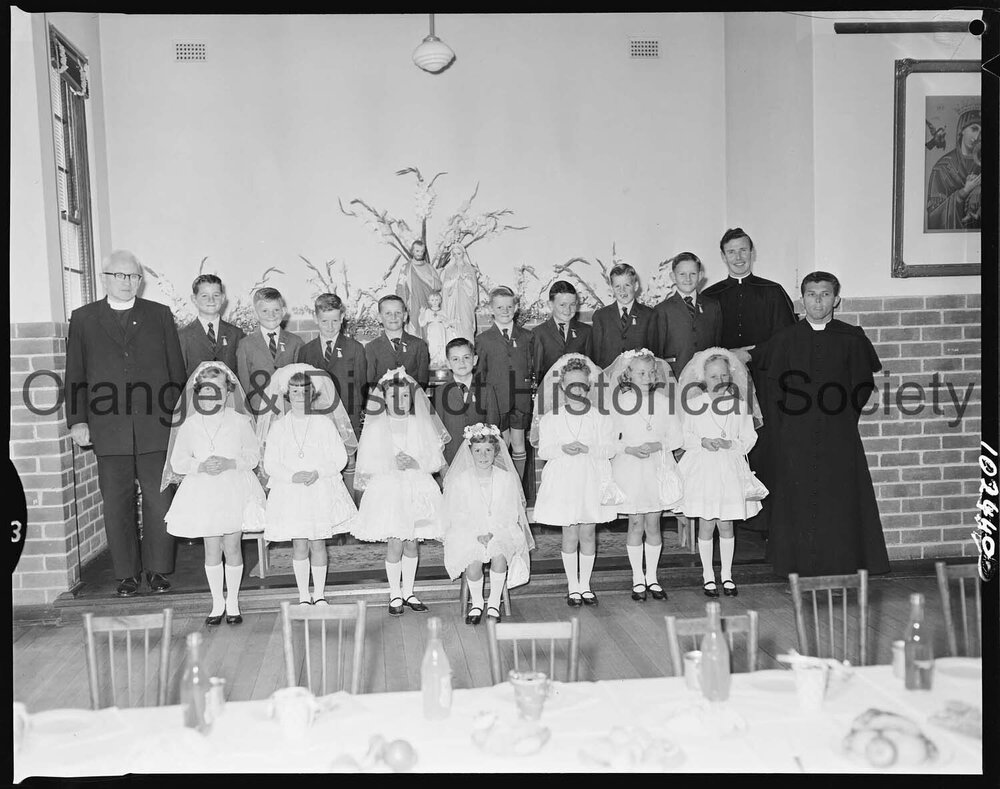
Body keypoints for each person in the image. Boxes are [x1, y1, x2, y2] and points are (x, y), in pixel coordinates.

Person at [750, 272, 890, 578]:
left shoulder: (851, 338)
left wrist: (837, 416)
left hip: (838, 433)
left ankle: (841, 564)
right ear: (802, 299)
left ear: (836, 299)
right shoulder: (785, 339)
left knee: (840, 499)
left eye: (825, 294)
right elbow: (773, 389)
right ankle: (795, 566)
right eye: (811, 294)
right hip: (795, 434)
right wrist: (789, 424)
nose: (818, 301)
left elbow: (861, 385)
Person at [65, 249, 186, 597]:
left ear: (140, 280)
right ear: (105, 278)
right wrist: (78, 421)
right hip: (108, 429)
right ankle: (126, 575)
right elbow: (75, 375)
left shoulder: (159, 315)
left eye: (133, 276)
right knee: (116, 502)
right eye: (119, 276)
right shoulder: (84, 318)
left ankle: (158, 570)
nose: (127, 282)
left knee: (159, 501)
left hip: (155, 429)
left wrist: (174, 421)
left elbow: (176, 373)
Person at [702, 228, 795, 537]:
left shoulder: (772, 291)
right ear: (723, 256)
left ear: (752, 253)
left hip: (764, 382)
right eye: (732, 252)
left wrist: (751, 355)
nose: (738, 257)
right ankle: (726, 523)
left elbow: (786, 339)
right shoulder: (712, 296)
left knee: (763, 443)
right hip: (723, 385)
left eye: (743, 250)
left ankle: (765, 523)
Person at [161, 362, 265, 625]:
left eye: (217, 389)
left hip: (234, 488)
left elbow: (253, 456)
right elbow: (178, 462)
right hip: (204, 490)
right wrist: (200, 465)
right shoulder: (190, 425)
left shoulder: (239, 421)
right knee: (211, 549)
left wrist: (231, 463)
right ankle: (217, 602)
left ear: (227, 391)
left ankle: (233, 602)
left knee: (232, 546)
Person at [351, 368, 449, 616]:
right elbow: (366, 461)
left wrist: (416, 463)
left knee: (412, 543)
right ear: (384, 398)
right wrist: (391, 462)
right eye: (394, 397)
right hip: (389, 487)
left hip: (417, 485)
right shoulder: (376, 427)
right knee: (395, 542)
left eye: (405, 396)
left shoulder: (419, 424)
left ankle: (409, 591)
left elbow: (434, 458)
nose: (400, 402)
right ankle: (394, 592)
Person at [258, 366, 359, 606]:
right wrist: (293, 476)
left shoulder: (324, 424)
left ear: (312, 394)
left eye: (304, 391)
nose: (299, 396)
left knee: (318, 542)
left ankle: (320, 594)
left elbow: (339, 458)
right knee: (299, 544)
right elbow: (271, 462)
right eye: (294, 392)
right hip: (291, 492)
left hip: (320, 489)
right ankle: (304, 595)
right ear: (287, 395)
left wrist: (318, 472)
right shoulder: (279, 427)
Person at [531, 354, 619, 607]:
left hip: (591, 477)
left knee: (588, 532)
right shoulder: (551, 418)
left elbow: (610, 449)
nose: (576, 390)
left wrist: (588, 448)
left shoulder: (600, 418)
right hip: (565, 479)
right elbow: (544, 450)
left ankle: (585, 584)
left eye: (581, 385)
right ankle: (572, 586)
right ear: (562, 388)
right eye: (571, 385)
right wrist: (563, 448)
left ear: (588, 387)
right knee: (570, 533)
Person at [676, 349, 763, 598]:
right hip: (703, 469)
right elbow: (684, 436)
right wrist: (702, 441)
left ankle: (726, 574)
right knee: (706, 523)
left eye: (724, 375)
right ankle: (707, 575)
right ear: (703, 377)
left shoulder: (739, 405)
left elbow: (749, 436)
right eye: (714, 376)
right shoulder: (693, 405)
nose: (720, 380)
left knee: (726, 524)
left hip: (728, 468)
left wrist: (732, 445)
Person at [604, 349, 684, 602]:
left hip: (657, 467)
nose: (647, 377)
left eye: (650, 372)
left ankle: (653, 577)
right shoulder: (620, 403)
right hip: (631, 467)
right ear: (628, 374)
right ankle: (638, 577)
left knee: (654, 523)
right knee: (635, 523)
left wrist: (658, 446)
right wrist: (629, 448)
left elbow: (676, 437)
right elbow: (610, 440)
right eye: (640, 373)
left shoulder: (663, 402)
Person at [441, 424, 534, 625]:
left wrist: (492, 532)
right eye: (478, 451)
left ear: (496, 452)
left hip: (500, 528)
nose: (483, 456)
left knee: (499, 555)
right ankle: (477, 604)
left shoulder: (506, 478)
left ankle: (493, 602)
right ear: (470, 452)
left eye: (488, 450)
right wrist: (477, 533)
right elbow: (456, 513)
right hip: (468, 531)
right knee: (473, 562)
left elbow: (510, 511)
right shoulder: (461, 481)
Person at [474, 286, 535, 481]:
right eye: (500, 307)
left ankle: (518, 490)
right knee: (500, 445)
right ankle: (503, 488)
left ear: (516, 307)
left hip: (520, 399)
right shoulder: (483, 340)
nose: (505, 311)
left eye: (509, 306)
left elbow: (534, 367)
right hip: (497, 401)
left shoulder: (527, 337)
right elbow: (480, 374)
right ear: (491, 309)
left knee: (519, 444)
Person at [295, 293, 368, 440]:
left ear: (342, 319)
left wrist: (353, 418)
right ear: (316, 319)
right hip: (316, 417)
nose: (330, 326)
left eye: (335, 321)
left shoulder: (355, 348)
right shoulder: (306, 351)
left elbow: (360, 385)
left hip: (348, 416)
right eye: (324, 321)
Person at [431, 338, 502, 468]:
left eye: (466, 357)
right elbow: (437, 432)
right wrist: (443, 465)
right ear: (448, 363)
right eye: (455, 359)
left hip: (481, 459)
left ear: (474, 360)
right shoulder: (440, 393)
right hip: (452, 459)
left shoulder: (487, 389)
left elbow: (493, 425)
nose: (461, 363)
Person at [653, 253, 723, 380]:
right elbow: (658, 351)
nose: (688, 279)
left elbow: (717, 344)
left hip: (706, 376)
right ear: (673, 277)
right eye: (682, 274)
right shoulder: (662, 310)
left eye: (693, 274)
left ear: (700, 276)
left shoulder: (712, 306)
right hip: (675, 375)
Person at [236, 287, 304, 416]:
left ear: (283, 311)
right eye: (265, 311)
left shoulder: (295, 342)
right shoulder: (246, 345)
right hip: (259, 411)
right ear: (256, 314)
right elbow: (244, 385)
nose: (271, 315)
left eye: (276, 310)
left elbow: (301, 380)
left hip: (289, 411)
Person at [590, 264, 659, 368]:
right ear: (611, 288)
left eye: (627, 285)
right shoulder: (601, 316)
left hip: (638, 377)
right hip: (609, 378)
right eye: (617, 286)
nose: (622, 291)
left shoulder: (649, 315)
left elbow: (654, 353)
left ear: (635, 286)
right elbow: (596, 355)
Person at [177, 274, 245, 380]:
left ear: (223, 298)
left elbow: (242, 373)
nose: (211, 300)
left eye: (216, 295)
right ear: (194, 299)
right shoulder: (182, 336)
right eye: (204, 296)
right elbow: (179, 376)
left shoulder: (237, 334)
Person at [926, 106, 982, 230]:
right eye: (974, 129)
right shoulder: (942, 168)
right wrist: (964, 192)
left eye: (981, 132)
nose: (977, 136)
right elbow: (933, 215)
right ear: (962, 130)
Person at [532, 280, 594, 382]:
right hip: (549, 391)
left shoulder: (586, 331)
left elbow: (591, 368)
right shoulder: (539, 333)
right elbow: (537, 371)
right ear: (550, 305)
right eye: (562, 305)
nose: (568, 310)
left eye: (572, 304)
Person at [365, 294, 431, 388]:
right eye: (388, 313)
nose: (393, 317)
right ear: (379, 317)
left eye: (398, 313)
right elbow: (370, 381)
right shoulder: (371, 347)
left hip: (412, 399)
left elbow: (422, 380)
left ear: (404, 316)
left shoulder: (419, 344)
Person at [397, 239, 442, 341]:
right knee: (414, 330)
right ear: (412, 251)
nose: (419, 253)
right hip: (412, 304)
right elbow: (400, 287)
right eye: (417, 251)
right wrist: (403, 304)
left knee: (428, 331)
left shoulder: (429, 268)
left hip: (428, 304)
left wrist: (429, 278)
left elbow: (438, 286)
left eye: (422, 251)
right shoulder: (406, 268)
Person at [441, 242, 479, 343]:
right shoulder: (449, 269)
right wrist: (454, 280)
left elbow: (473, 288)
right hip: (452, 302)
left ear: (463, 253)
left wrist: (465, 279)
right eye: (454, 254)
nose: (457, 256)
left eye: (459, 253)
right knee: (452, 327)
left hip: (465, 301)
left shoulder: (469, 268)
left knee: (466, 324)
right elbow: (445, 286)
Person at [419, 290, 457, 369]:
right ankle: (434, 361)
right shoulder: (428, 311)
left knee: (442, 344)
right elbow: (422, 323)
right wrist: (422, 313)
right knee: (433, 346)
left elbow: (446, 324)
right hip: (432, 330)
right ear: (429, 301)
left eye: (436, 300)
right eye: (432, 300)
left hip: (441, 330)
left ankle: (441, 361)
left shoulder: (443, 312)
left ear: (440, 300)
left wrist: (451, 322)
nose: (435, 302)